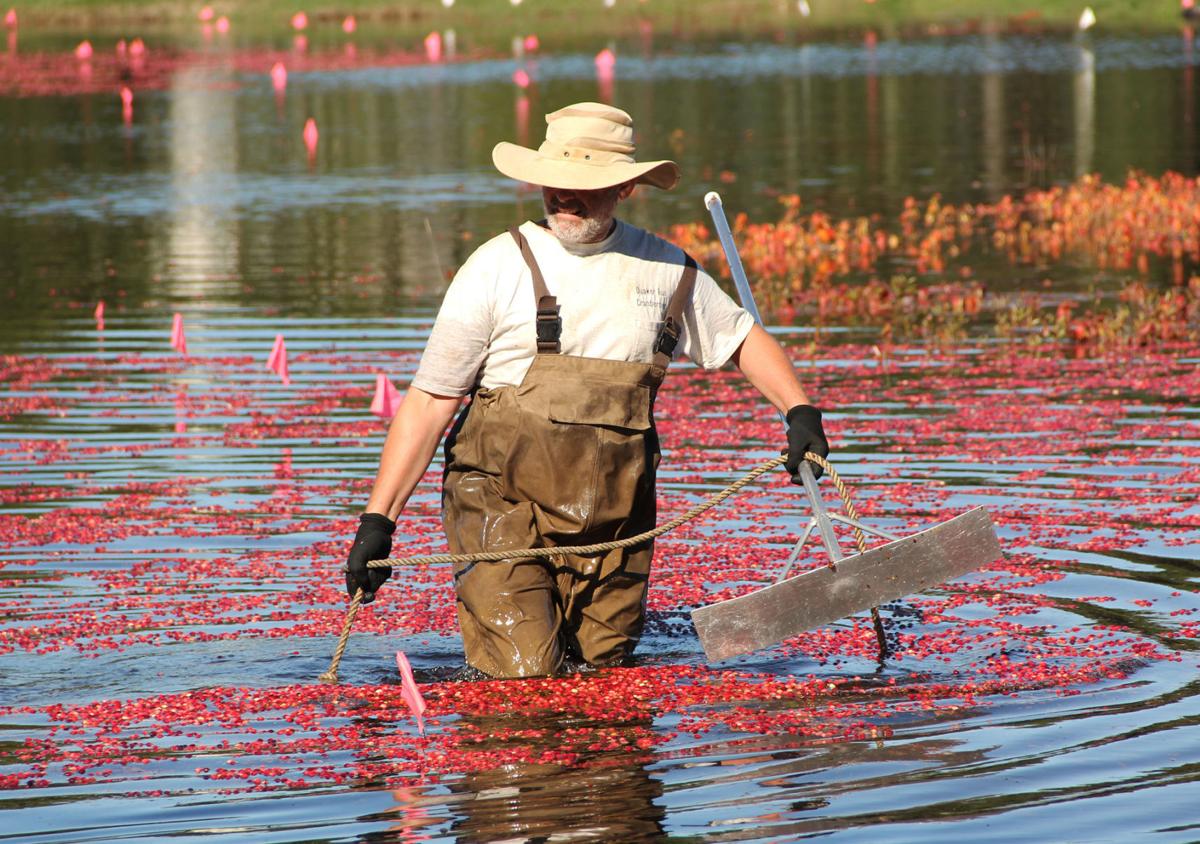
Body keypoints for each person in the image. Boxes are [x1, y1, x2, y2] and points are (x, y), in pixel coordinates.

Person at [344, 102, 829, 679]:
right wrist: (379, 522)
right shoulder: (497, 267)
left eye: (587, 186)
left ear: (624, 187)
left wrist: (799, 411)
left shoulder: (668, 271)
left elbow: (745, 340)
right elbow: (430, 402)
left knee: (607, 676)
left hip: (619, 523)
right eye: (558, 183)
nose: (566, 198)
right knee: (527, 678)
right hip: (500, 509)